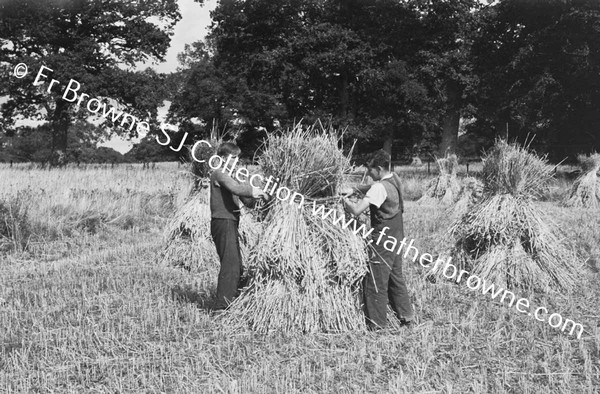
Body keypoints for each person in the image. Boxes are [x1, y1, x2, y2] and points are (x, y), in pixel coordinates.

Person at [342, 149, 414, 330]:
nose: (368, 173)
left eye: (370, 170)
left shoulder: (378, 188)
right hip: (397, 237)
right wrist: (355, 189)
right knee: (396, 277)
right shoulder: (394, 179)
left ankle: (377, 323)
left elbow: (357, 210)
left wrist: (344, 201)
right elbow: (376, 188)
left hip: (383, 239)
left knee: (376, 280)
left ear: (379, 168)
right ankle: (406, 316)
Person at [209, 142, 266, 311]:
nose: (237, 161)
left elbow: (246, 201)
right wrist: (253, 190)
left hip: (231, 222)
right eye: (234, 157)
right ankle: (221, 307)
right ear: (223, 158)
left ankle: (234, 300)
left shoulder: (230, 176)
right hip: (222, 221)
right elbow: (237, 189)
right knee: (230, 264)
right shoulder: (219, 174)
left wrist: (263, 198)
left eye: (237, 158)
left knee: (237, 264)